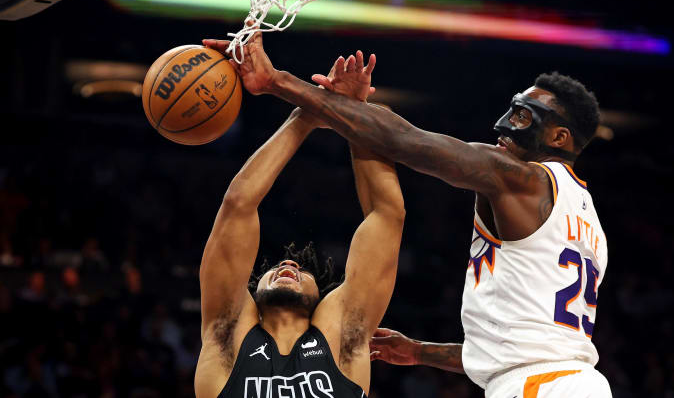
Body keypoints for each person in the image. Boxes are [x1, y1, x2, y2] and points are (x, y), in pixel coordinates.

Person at [203, 27, 611, 398]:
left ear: (559, 137)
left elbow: (405, 142)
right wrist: (420, 352)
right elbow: (528, 348)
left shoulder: (523, 180)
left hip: (542, 387)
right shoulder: (587, 222)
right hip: (563, 380)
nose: (503, 126)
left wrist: (281, 84)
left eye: (523, 117)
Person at [193, 55, 405, 398]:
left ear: (322, 300)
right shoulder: (226, 334)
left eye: (298, 268)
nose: (288, 264)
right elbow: (238, 205)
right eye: (282, 266)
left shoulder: (342, 335)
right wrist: (308, 114)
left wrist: (352, 113)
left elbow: (386, 216)